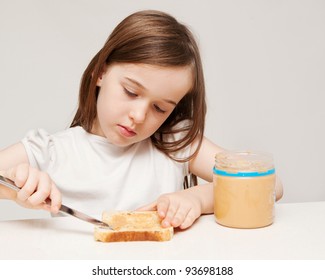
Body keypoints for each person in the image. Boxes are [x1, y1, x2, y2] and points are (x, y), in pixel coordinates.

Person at [0, 10, 283, 229]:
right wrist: (16, 189)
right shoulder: (52, 151)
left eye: (160, 108)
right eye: (131, 92)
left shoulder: (175, 145)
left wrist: (196, 199)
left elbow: (272, 185)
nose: (139, 116)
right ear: (101, 72)